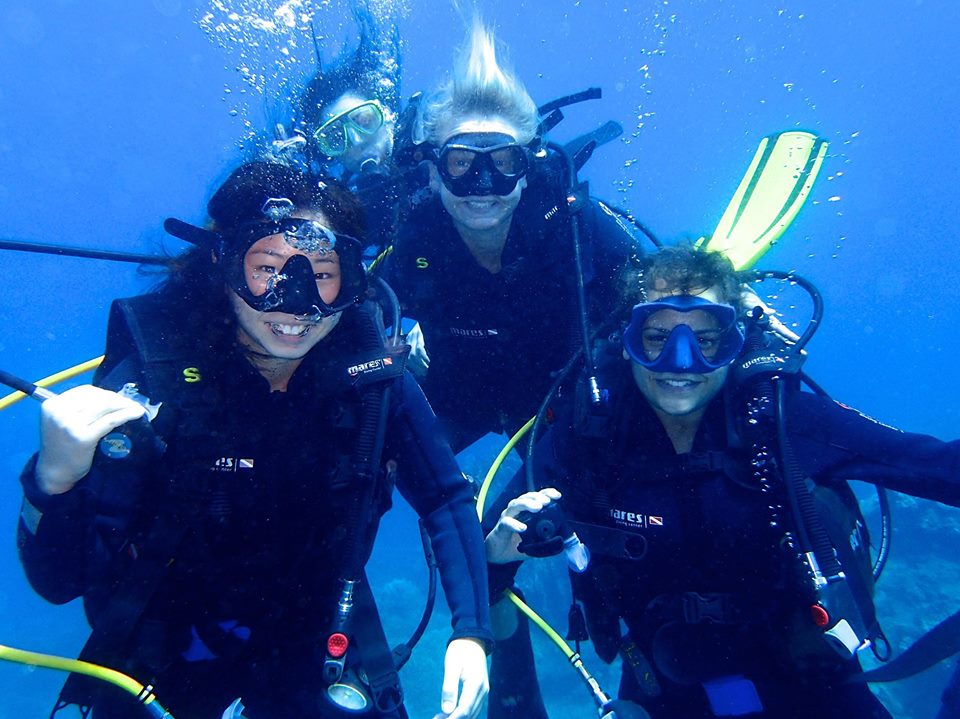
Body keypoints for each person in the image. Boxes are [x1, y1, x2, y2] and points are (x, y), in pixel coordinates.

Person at [17, 161, 491, 719]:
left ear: (352, 279)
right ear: (223, 265)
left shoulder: (373, 381)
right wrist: (54, 480)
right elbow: (58, 582)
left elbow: (445, 496)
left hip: (315, 634)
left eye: (321, 272)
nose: (296, 303)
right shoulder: (153, 382)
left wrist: (472, 633)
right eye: (268, 268)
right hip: (164, 646)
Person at [484, 245, 960, 718]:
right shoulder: (589, 435)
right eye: (657, 337)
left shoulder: (778, 421)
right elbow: (484, 543)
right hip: (663, 687)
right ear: (626, 339)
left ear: (733, 342)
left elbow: (932, 464)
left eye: (706, 340)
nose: (681, 362)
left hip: (814, 682)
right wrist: (497, 558)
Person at [385, 19, 641, 453]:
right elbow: (365, 311)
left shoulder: (571, 222)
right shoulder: (416, 240)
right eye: (462, 163)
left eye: (503, 161)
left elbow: (651, 284)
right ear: (432, 172)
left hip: (556, 405)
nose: (483, 185)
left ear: (528, 168)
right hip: (456, 400)